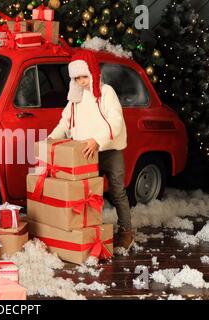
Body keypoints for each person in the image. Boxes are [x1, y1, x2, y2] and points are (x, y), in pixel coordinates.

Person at [48, 50, 134, 251]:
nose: (82, 81)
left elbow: (116, 121)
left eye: (84, 76)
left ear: (93, 73)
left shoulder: (107, 93)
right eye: (77, 78)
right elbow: (65, 122)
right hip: (85, 155)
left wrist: (98, 140)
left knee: (117, 191)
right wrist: (52, 139)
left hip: (109, 151)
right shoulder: (75, 99)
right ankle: (90, 233)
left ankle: (126, 231)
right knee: (88, 195)